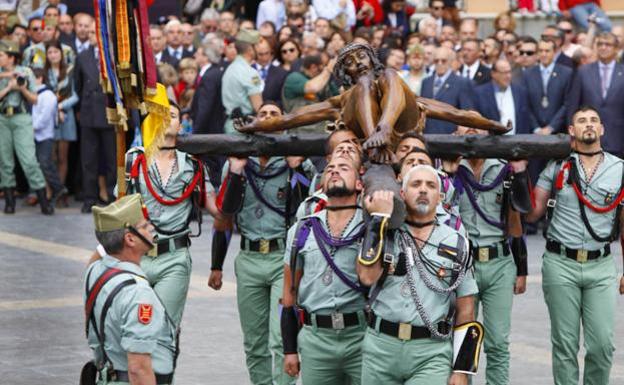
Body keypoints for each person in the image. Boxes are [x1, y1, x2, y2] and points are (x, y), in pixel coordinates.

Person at [211, 101, 315, 385]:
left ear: (283, 124)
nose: (268, 118)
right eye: (263, 114)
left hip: (282, 256)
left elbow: (310, 207)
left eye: (275, 115)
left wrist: (299, 168)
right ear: (254, 122)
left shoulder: (294, 159)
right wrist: (216, 265)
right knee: (254, 341)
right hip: (249, 257)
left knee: (280, 337)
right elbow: (225, 215)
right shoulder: (240, 161)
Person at [357, 165, 482, 385]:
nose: (423, 189)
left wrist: (461, 370)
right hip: (381, 349)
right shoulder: (385, 232)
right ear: (402, 194)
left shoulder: (457, 242)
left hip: (430, 352)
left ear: (440, 198)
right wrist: (378, 220)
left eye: (430, 185)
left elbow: (466, 309)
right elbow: (367, 277)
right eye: (416, 184)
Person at [526, 106, 624, 385]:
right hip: (561, 263)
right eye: (581, 121)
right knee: (565, 345)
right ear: (571, 131)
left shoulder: (619, 169)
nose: (588, 124)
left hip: (601, 264)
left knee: (602, 345)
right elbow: (533, 212)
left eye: (594, 120)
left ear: (602, 129)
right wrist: (521, 173)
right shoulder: (557, 166)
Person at [442, 124, 531, 385]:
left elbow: (516, 221)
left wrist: (521, 268)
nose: (470, 135)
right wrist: (449, 169)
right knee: (462, 337)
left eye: (474, 129)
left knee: (498, 342)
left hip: (499, 262)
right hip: (462, 264)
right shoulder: (449, 167)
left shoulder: (502, 167)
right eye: (462, 131)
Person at [124, 99, 216, 327]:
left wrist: (235, 173)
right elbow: (119, 206)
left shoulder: (193, 165)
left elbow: (217, 210)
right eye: (161, 114)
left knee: (165, 329)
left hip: (174, 258)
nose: (167, 119)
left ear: (181, 125)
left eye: (172, 115)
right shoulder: (134, 160)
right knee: (136, 327)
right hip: (138, 257)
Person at [281, 155, 367, 384]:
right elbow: (289, 294)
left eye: (344, 168)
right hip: (316, 338)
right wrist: (289, 349)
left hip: (361, 334)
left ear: (360, 183)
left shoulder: (370, 226)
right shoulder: (303, 229)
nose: (335, 171)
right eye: (330, 169)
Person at [83, 194, 176, 385]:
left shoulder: (94, 270)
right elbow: (138, 368)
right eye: (143, 226)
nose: (150, 228)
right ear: (130, 239)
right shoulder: (138, 292)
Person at [0, 38, 52, 215]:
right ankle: (9, 202)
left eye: (1, 55)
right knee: (5, 161)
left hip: (21, 117)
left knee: (29, 160)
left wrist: (21, 88)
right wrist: (8, 88)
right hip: (2, 119)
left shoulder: (26, 72)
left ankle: (44, 200)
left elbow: (35, 99)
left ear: (11, 57)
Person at [74, 24, 116, 213]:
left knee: (112, 159)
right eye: (91, 33)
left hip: (109, 112)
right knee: (88, 160)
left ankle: (113, 196)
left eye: (96, 32)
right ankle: (89, 198)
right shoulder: (82, 56)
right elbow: (78, 84)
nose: (93, 36)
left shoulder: (113, 56)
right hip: (89, 114)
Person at [567, 32, 624, 158]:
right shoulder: (583, 71)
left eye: (608, 44)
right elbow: (573, 105)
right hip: (586, 141)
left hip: (618, 140)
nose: (603, 47)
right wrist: (572, 137)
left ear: (616, 48)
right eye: (600, 44)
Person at [44, 39, 78, 189]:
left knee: (63, 157)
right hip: (48, 119)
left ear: (61, 53)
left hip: (66, 117)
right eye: (50, 52)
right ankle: (50, 189)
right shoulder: (43, 73)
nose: (53, 55)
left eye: (55, 51)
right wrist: (54, 108)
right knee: (51, 157)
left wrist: (60, 106)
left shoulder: (70, 71)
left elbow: (76, 96)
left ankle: (61, 190)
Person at [421, 46, 476, 134]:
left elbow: (467, 114)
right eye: (436, 61)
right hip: (428, 135)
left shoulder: (461, 82)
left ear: (451, 62)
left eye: (443, 61)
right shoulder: (426, 82)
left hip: (450, 137)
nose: (439, 63)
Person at [474, 59, 535, 135]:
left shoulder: (520, 92)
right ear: (493, 74)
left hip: (517, 142)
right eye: (504, 73)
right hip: (491, 143)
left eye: (509, 72)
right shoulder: (479, 93)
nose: (508, 76)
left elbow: (526, 119)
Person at [32, 67, 65, 205]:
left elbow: (44, 118)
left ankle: (58, 188)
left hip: (45, 135)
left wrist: (30, 128)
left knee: (45, 163)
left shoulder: (48, 95)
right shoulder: (35, 94)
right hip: (36, 135)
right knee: (41, 164)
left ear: (39, 79)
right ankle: (53, 190)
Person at [221, 28, 264, 134]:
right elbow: (259, 107)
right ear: (250, 49)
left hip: (231, 125)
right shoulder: (249, 72)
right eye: (257, 45)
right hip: (246, 127)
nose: (260, 49)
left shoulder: (230, 69)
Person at [282, 54, 337, 132]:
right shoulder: (294, 77)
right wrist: (328, 70)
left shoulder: (323, 82)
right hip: (299, 131)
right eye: (321, 69)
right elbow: (313, 87)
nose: (322, 73)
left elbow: (338, 96)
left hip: (321, 131)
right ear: (313, 67)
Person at [253, 37, 289, 107]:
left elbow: (283, 99)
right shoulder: (248, 71)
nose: (264, 57)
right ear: (255, 54)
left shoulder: (281, 73)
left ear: (271, 52)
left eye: (267, 53)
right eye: (260, 54)